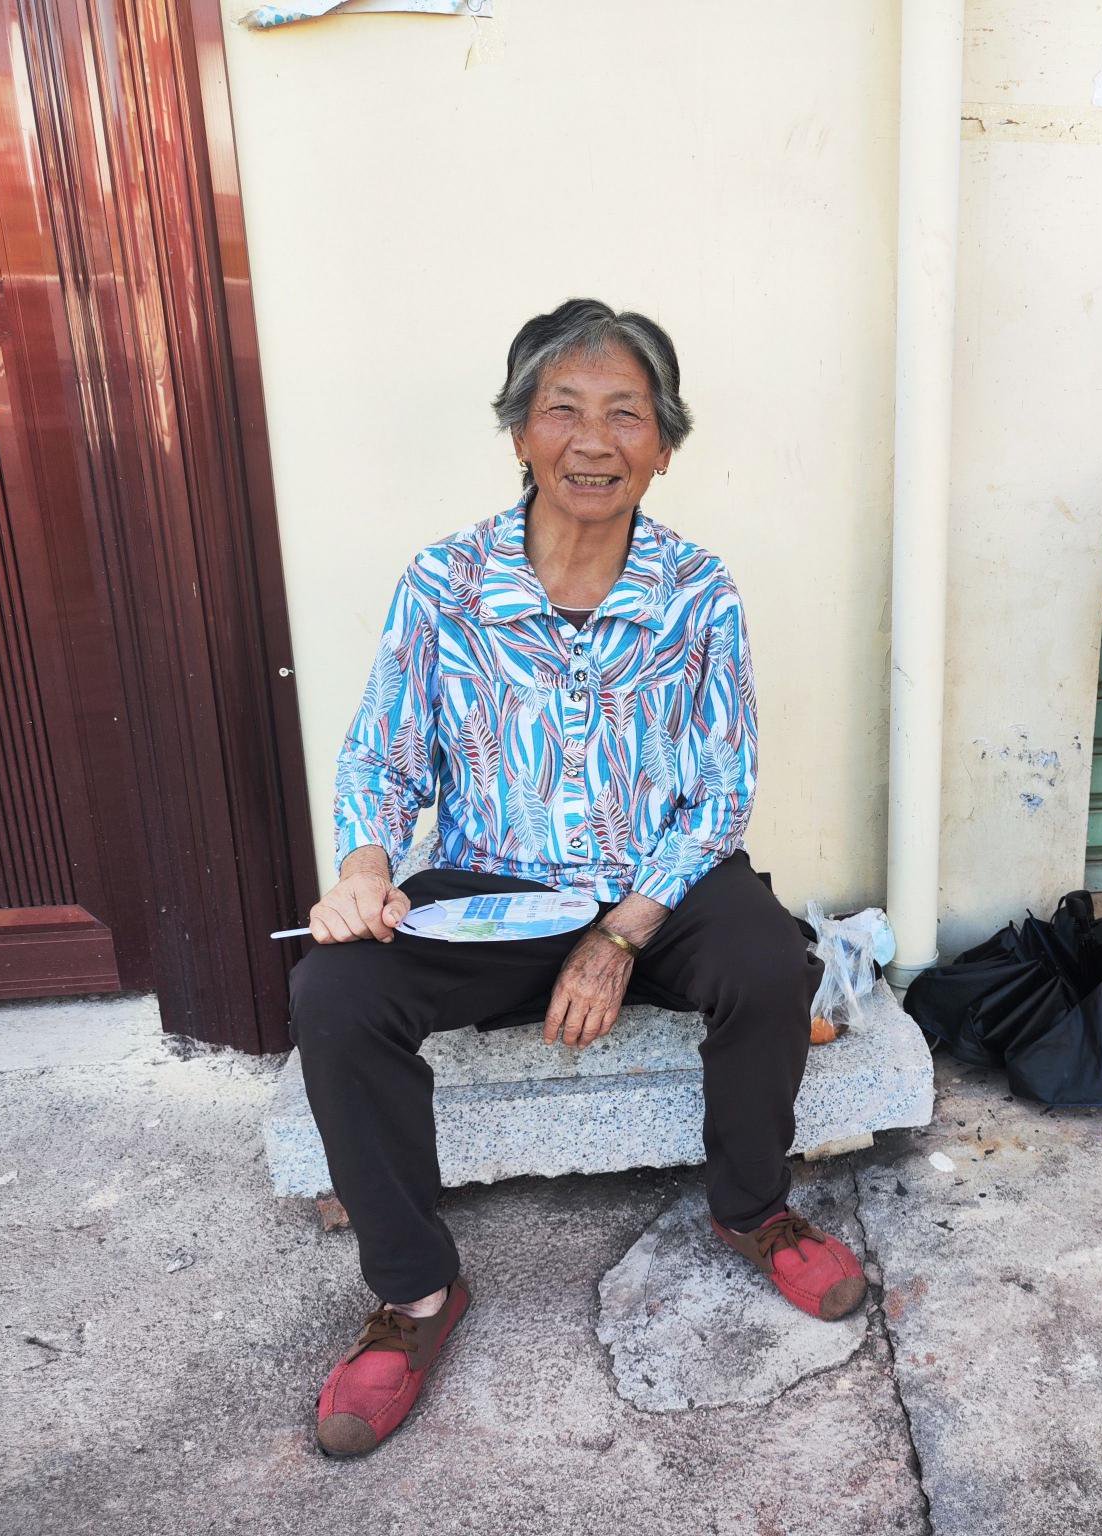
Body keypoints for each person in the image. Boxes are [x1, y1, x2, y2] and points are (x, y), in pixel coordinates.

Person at [289, 299, 866, 1459]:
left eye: (625, 414)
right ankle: (413, 1294)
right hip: (489, 885)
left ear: (663, 444)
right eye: (563, 409)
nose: (592, 441)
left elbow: (717, 788)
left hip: (655, 881)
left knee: (766, 963)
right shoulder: (445, 582)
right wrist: (360, 869)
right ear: (518, 433)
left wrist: (621, 935)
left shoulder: (696, 589)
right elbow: (382, 755)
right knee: (332, 995)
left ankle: (749, 1206)